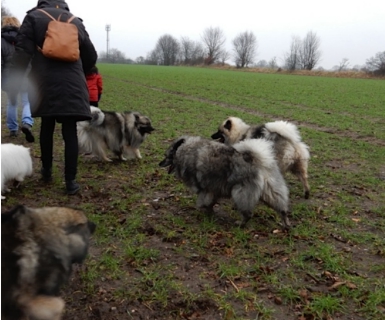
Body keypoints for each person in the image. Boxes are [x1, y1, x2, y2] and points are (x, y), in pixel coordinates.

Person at [7, 0, 97, 195]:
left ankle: (47, 171)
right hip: (72, 83)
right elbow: (91, 57)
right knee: (69, 131)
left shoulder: (33, 18)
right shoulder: (76, 21)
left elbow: (22, 53)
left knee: (47, 127)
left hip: (44, 82)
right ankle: (71, 181)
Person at [1, 16, 34, 142]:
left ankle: (13, 129)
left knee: (12, 103)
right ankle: (27, 122)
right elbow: (31, 58)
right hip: (25, 74)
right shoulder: (24, 39)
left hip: (9, 76)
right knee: (26, 101)